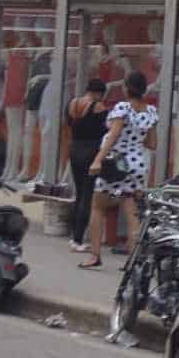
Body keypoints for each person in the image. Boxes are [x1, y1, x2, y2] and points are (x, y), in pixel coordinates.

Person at [74, 71, 157, 268]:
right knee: (131, 211)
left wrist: (97, 160)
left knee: (98, 207)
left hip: (116, 163)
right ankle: (133, 260)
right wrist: (136, 139)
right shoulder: (151, 111)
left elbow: (114, 134)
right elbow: (152, 143)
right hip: (137, 164)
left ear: (127, 87)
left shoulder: (123, 107)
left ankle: (94, 255)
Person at [63, 77, 113, 247]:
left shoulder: (73, 103)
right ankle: (78, 238)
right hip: (91, 151)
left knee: (79, 193)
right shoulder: (98, 107)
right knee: (87, 194)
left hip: (74, 148)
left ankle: (73, 234)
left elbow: (68, 123)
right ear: (99, 93)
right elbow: (108, 128)